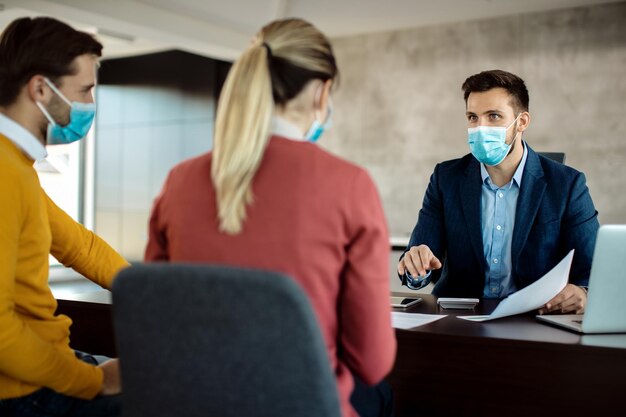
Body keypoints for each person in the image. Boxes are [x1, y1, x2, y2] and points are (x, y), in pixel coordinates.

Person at [145, 18, 396, 417]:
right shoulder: (351, 186)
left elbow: (155, 325)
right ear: (323, 91)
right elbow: (372, 361)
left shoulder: (178, 182)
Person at [0, 17, 128, 416]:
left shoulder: (16, 167)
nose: (90, 103)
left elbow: (78, 246)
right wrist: (94, 381)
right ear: (40, 88)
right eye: (85, 89)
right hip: (26, 394)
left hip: (43, 372)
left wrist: (146, 292)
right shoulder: (4, 174)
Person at [397, 69, 599, 315]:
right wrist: (416, 266)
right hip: (457, 321)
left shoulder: (568, 185)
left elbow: (592, 271)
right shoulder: (445, 178)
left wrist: (584, 293)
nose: (480, 127)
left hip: (535, 320)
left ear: (522, 122)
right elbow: (421, 265)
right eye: (473, 117)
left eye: (493, 116)